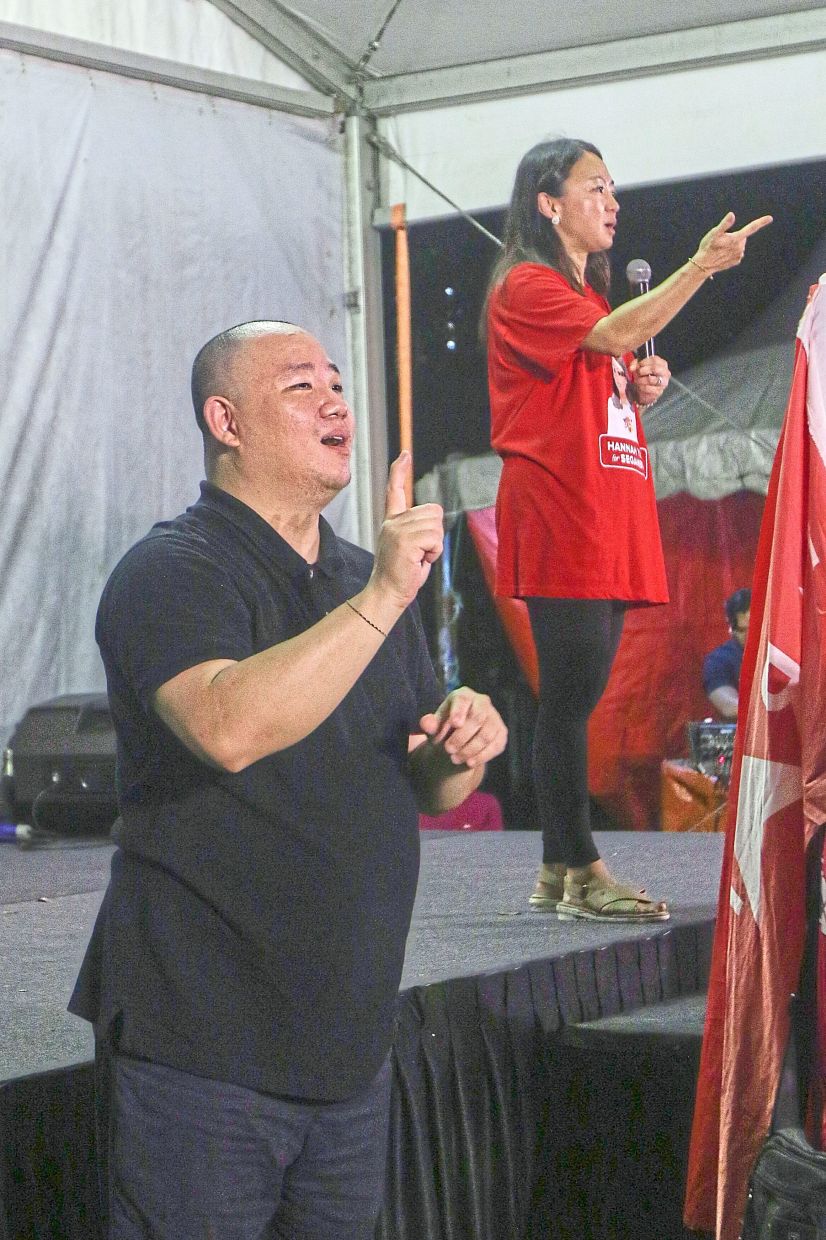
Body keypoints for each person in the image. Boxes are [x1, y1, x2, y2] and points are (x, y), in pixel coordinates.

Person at [69, 320, 507, 1240]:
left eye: (338, 382)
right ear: (224, 420)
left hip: (348, 1054)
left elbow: (429, 787)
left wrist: (463, 746)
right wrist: (387, 596)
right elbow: (227, 727)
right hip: (204, 1054)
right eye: (300, 386)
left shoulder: (361, 574)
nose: (336, 400)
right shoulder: (171, 571)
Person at [484, 137, 771, 922]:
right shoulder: (528, 285)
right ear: (549, 204)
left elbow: (595, 374)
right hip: (562, 510)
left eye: (614, 190)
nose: (613, 203)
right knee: (570, 700)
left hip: (604, 510)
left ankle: (557, 870)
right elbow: (606, 342)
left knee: (582, 695)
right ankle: (579, 865)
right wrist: (701, 267)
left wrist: (638, 391)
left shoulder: (590, 302)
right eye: (596, 188)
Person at [702, 587, 751, 719]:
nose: (751, 636)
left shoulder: (783, 655)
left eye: (756, 628)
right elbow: (730, 707)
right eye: (743, 630)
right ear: (731, 628)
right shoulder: (719, 660)